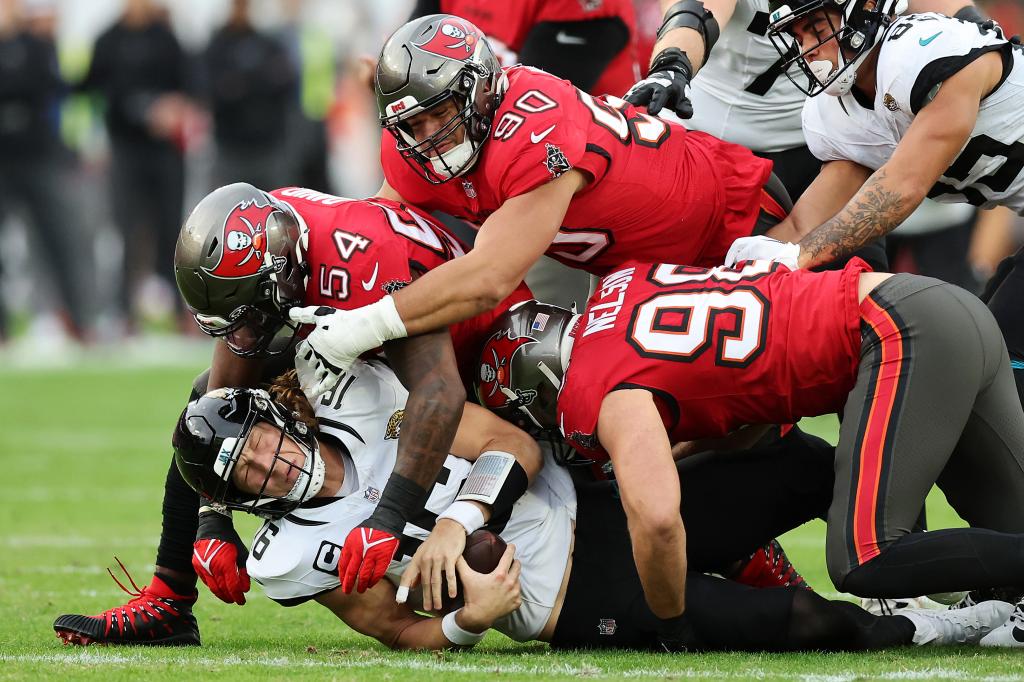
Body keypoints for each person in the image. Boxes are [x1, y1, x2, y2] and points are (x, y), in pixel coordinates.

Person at [171, 370, 1011, 651]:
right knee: (805, 623)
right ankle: (970, 626)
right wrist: (469, 624)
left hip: (597, 505)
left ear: (281, 414)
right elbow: (393, 627)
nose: (267, 463)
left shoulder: (370, 400)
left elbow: (517, 447)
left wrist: (459, 520)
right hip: (573, 597)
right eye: (245, 472)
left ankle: (942, 571)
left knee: (801, 467)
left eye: (260, 440)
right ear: (238, 497)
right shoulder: (286, 554)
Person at [52, 184, 529, 646]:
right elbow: (220, 398)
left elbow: (438, 389)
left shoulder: (361, 256)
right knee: (209, 410)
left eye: (250, 316)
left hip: (489, 351)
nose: (242, 337)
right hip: (385, 340)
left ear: (281, 276)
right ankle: (169, 597)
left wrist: (389, 519)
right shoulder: (269, 240)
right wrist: (212, 517)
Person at [508, 258, 1024, 645]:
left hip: (894, 333)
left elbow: (660, 519)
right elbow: (746, 411)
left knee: (865, 559)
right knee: (1015, 527)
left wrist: (672, 621)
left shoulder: (594, 389)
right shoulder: (621, 290)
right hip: (937, 303)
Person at [282, 13, 792, 403]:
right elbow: (384, 235)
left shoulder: (533, 125)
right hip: (634, 267)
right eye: (413, 125)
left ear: (481, 92)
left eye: (440, 114)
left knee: (740, 410)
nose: (428, 138)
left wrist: (361, 327)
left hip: (734, 223)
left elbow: (487, 279)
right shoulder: (412, 151)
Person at [723, 0, 1024, 405]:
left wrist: (796, 257)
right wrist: (732, 280)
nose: (807, 47)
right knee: (982, 353)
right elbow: (804, 224)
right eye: (796, 34)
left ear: (865, 10)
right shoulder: (837, 112)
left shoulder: (920, 50)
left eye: (815, 25)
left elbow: (901, 188)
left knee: (999, 361)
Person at [75, 0, 190, 330]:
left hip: (165, 151)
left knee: (171, 229)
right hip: (125, 149)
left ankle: (181, 309)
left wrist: (171, 108)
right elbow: (89, 86)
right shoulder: (108, 39)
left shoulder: (166, 38)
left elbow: (190, 84)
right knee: (127, 228)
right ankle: (124, 312)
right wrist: (136, 110)